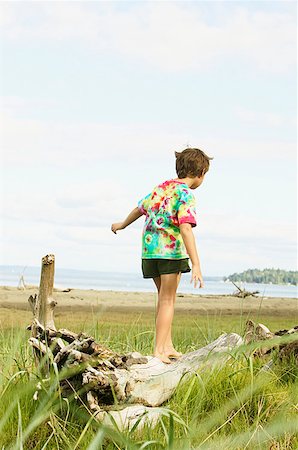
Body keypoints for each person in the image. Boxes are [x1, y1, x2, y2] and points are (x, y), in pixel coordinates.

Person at [111, 148, 212, 363]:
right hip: (170, 253)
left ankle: (168, 346)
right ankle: (158, 351)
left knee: (164, 299)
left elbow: (139, 209)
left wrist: (122, 224)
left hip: (150, 252)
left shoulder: (161, 188)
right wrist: (196, 264)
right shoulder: (185, 194)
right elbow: (186, 228)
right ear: (201, 173)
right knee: (168, 300)